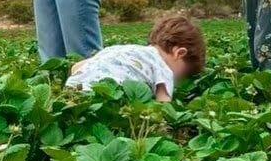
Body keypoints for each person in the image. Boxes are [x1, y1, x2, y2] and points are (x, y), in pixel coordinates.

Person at [65, 14, 206, 100]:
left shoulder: (124, 49)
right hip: (105, 96)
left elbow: (76, 66)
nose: (175, 81)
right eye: (181, 75)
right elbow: (163, 105)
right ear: (179, 53)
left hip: (73, 89)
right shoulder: (163, 68)